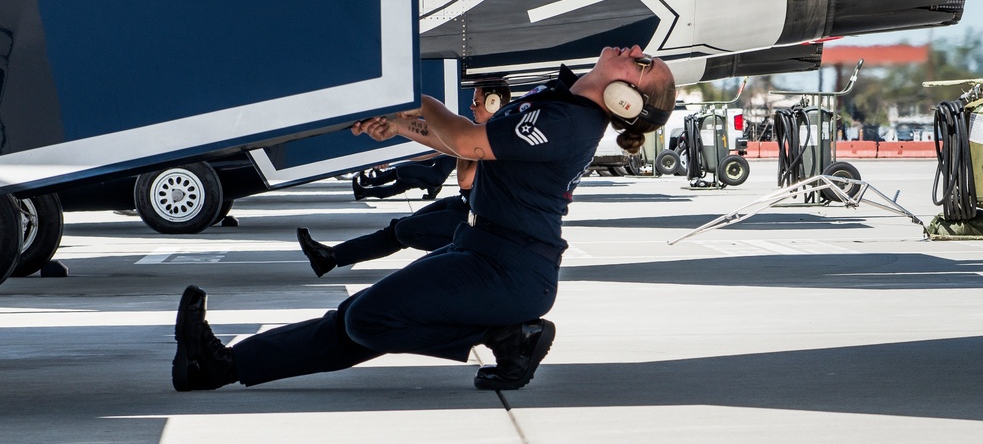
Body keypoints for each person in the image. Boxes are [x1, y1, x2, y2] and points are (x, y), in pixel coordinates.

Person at [172, 45, 675, 392]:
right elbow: (471, 150)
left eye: (642, 64)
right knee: (357, 320)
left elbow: (465, 142)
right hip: (482, 251)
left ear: (626, 101)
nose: (632, 51)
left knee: (369, 319)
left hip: (509, 270)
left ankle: (507, 337)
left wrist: (414, 99)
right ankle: (215, 368)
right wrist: (398, 125)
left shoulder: (569, 123)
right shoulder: (558, 102)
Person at [297, 82, 512, 277]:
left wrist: (459, 144)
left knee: (406, 231)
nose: (472, 107)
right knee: (396, 230)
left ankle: (463, 260)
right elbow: (435, 145)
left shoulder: (499, 137)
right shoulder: (481, 133)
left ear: (494, 104)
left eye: (477, 102)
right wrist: (397, 128)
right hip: (463, 204)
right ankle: (330, 257)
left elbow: (465, 179)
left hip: (478, 221)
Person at [352, 155, 456, 201]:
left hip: (434, 175)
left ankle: (367, 186)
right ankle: (364, 191)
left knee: (401, 172)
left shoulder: (457, 142)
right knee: (398, 184)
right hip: (433, 172)